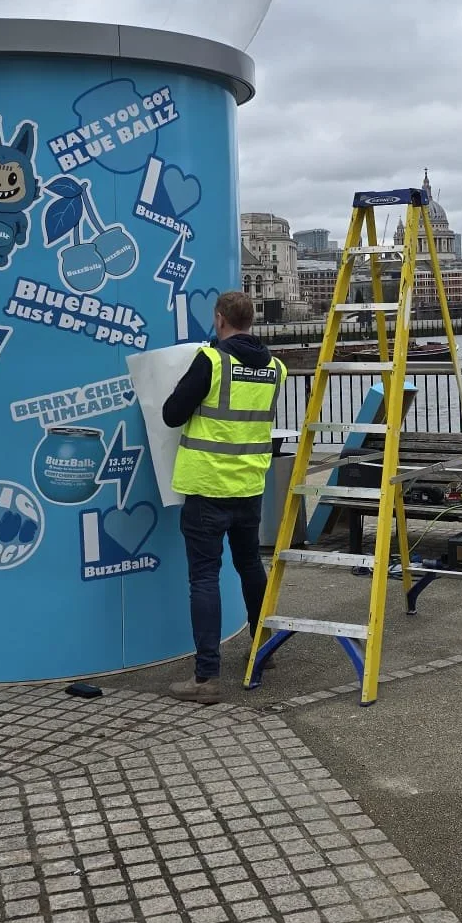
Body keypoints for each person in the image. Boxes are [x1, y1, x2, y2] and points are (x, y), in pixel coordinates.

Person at [162, 289, 286, 702]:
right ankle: (263, 649)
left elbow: (172, 414)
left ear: (219, 319)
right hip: (249, 486)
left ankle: (207, 678)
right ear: (252, 320)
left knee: (204, 577)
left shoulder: (211, 360)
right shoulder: (276, 369)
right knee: (251, 566)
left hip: (207, 487)